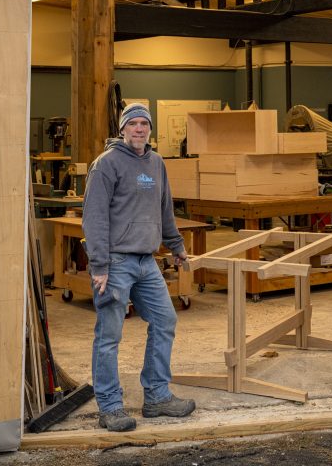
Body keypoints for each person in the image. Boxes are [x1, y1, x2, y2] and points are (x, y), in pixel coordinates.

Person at [82, 103, 196, 432]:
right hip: (115, 262)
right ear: (122, 129)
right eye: (132, 123)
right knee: (109, 335)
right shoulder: (106, 165)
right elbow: (94, 218)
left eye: (144, 124)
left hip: (147, 261)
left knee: (165, 320)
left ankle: (157, 396)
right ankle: (110, 406)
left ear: (150, 129)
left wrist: (175, 246)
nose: (138, 129)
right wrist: (99, 265)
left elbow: (164, 210)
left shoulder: (156, 162)